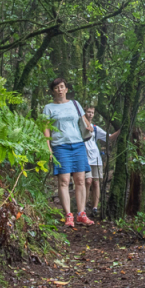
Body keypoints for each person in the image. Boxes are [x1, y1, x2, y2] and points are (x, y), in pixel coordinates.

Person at [43, 78, 94, 228]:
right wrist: (48, 147)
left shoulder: (75, 104)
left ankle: (81, 214)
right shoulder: (48, 108)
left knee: (80, 180)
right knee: (64, 180)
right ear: (53, 91)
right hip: (60, 145)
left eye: (62, 87)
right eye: (57, 88)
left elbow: (83, 119)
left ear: (66, 89)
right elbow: (46, 128)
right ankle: (68, 215)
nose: (60, 90)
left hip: (78, 144)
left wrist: (89, 126)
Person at [82, 107, 119, 218]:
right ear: (84, 113)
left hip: (96, 158)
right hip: (84, 157)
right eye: (88, 112)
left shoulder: (96, 128)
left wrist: (122, 129)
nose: (90, 114)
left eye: (92, 112)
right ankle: (82, 207)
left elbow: (110, 137)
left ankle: (94, 208)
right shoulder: (79, 127)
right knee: (87, 181)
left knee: (96, 183)